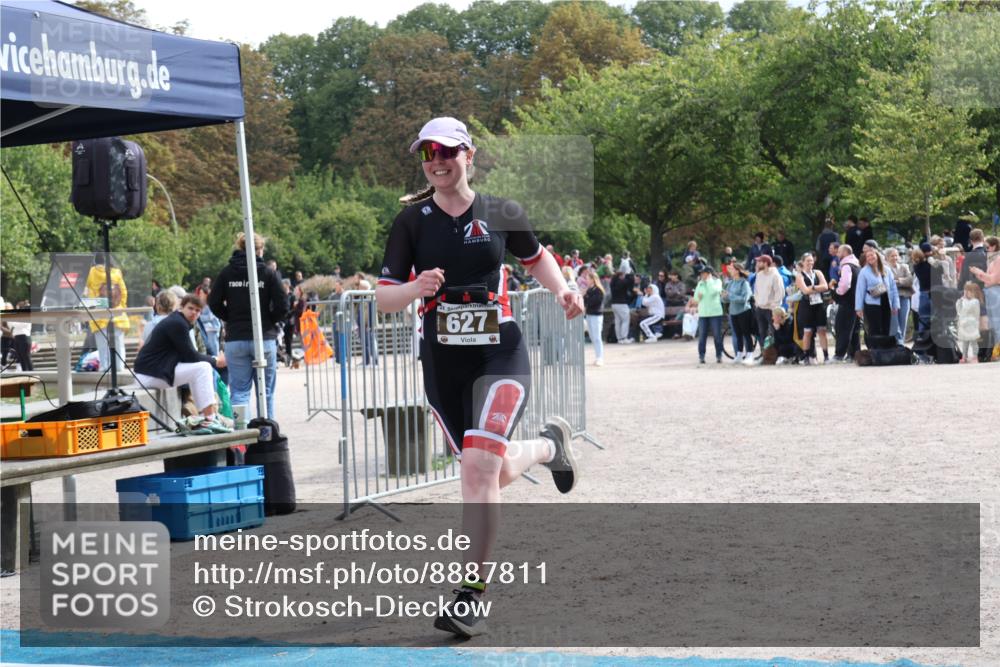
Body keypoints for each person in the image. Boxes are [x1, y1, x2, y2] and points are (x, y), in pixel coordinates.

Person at [374, 116, 583, 639]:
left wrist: (563, 289)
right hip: (443, 362)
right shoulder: (411, 222)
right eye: (428, 154)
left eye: (447, 151)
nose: (438, 162)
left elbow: (536, 258)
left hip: (499, 354)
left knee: (479, 468)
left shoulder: (501, 211)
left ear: (470, 154)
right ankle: (548, 447)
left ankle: (470, 596)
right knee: (487, 471)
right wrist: (415, 288)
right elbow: (384, 298)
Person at [209, 232, 288, 421]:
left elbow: (213, 302)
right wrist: (269, 320)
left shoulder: (227, 273)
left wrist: (230, 318)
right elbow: (283, 305)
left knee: (239, 391)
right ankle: (267, 433)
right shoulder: (268, 273)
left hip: (236, 338)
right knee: (265, 393)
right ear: (260, 250)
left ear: (240, 247)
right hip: (264, 336)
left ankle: (241, 434)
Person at [133, 295, 229, 432]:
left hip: (155, 372)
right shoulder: (177, 323)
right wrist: (216, 361)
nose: (194, 313)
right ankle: (210, 418)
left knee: (201, 369)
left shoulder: (178, 321)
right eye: (190, 308)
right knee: (203, 368)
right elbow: (191, 356)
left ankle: (206, 417)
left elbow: (188, 356)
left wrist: (214, 360)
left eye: (198, 310)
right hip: (148, 376)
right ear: (181, 307)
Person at [84, 253, 129, 372]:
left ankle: (105, 367)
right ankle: (119, 367)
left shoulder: (91, 272)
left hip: (99, 313)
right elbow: (124, 292)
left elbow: (85, 289)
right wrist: (121, 306)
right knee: (119, 343)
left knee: (102, 344)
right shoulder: (117, 272)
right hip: (117, 313)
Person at [855, 248, 899, 340]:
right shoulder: (864, 272)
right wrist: (859, 308)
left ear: (877, 256)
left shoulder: (887, 270)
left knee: (886, 328)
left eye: (872, 255)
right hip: (872, 304)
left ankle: (884, 347)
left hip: (887, 303)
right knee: (874, 329)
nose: (870, 257)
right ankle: (875, 348)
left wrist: (895, 304)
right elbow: (860, 290)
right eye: (868, 256)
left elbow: (893, 288)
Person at [794, 253, 830, 364]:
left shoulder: (818, 272)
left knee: (822, 330)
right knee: (808, 332)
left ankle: (826, 356)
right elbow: (805, 291)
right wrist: (817, 288)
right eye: (807, 261)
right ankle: (806, 356)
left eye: (811, 260)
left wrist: (813, 287)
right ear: (803, 262)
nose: (810, 263)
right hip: (806, 306)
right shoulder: (799, 276)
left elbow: (825, 286)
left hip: (819, 305)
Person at [831, 245, 861, 361]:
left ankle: (839, 355)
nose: (837, 254)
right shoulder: (856, 265)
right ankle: (854, 354)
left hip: (847, 302)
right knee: (854, 329)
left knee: (842, 327)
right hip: (856, 302)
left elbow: (845, 284)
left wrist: (836, 292)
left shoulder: (846, 266)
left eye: (839, 252)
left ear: (845, 253)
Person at [969, 236, 1000, 347]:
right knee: (992, 324)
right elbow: (988, 279)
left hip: (995, 291)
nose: (985, 250)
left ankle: (997, 350)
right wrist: (978, 274)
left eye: (987, 247)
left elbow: (994, 279)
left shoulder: (998, 259)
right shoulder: (992, 259)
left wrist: (979, 272)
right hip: (990, 290)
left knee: (996, 324)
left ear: (994, 246)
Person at [691, 266, 724, 364]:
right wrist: (698, 297)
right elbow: (695, 300)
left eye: (703, 273)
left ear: (709, 274)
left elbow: (714, 292)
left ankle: (719, 355)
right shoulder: (700, 283)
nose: (701, 275)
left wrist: (709, 281)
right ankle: (701, 356)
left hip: (715, 313)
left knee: (717, 336)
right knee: (702, 336)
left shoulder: (717, 281)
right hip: (703, 313)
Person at [752, 255, 784, 350]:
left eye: (759, 262)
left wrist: (774, 306)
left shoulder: (775, 275)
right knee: (762, 333)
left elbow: (780, 292)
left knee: (775, 332)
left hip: (771, 309)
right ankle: (765, 353)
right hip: (760, 308)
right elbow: (756, 291)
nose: (757, 264)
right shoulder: (759, 275)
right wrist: (757, 303)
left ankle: (777, 353)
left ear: (765, 263)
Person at [725, 265, 754, 365]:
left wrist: (730, 296)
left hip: (744, 311)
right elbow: (726, 299)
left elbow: (744, 299)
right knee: (738, 334)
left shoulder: (744, 283)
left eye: (732, 269)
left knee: (746, 333)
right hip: (733, 312)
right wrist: (724, 297)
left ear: (738, 271)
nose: (730, 271)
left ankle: (750, 355)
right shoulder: (731, 283)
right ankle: (739, 354)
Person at [884, 248, 913, 345]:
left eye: (896, 255)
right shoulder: (885, 268)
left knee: (903, 321)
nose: (895, 258)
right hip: (892, 299)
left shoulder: (904, 266)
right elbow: (887, 283)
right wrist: (903, 281)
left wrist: (898, 281)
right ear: (887, 257)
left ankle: (901, 343)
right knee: (894, 322)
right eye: (892, 256)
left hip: (904, 297)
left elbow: (910, 280)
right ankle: (896, 343)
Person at [955, 282, 984, 363]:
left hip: (972, 325)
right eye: (965, 290)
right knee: (965, 343)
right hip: (964, 325)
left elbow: (968, 307)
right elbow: (959, 310)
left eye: (968, 291)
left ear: (973, 292)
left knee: (973, 342)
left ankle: (975, 356)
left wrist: (964, 300)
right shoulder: (965, 301)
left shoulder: (975, 301)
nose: (966, 292)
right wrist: (960, 301)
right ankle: (964, 357)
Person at [583, 268, 605, 366]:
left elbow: (594, 302)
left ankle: (600, 357)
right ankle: (597, 356)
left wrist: (586, 297)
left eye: (588, 279)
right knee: (592, 336)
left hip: (596, 315)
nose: (586, 280)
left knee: (597, 337)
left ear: (593, 279)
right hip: (589, 314)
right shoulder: (589, 290)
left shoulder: (598, 290)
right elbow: (585, 301)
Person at [610, 262, 633, 344]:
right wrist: (628, 273)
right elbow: (630, 281)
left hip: (614, 304)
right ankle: (624, 337)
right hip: (621, 303)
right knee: (626, 319)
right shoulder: (621, 282)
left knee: (618, 321)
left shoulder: (614, 281)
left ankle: (619, 338)